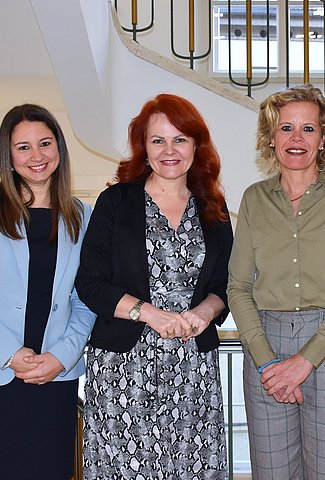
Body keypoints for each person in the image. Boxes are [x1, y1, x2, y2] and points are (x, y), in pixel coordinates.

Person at [76, 93, 233, 479]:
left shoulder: (213, 205)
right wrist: (151, 315)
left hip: (192, 366)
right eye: (158, 140)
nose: (169, 150)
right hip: (122, 369)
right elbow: (90, 283)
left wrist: (204, 312)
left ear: (196, 146)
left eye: (180, 139)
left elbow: (225, 285)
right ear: (143, 148)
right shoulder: (116, 201)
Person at [228, 84, 325, 480]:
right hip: (266, 351)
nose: (296, 139)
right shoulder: (254, 199)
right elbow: (237, 287)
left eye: (308, 129)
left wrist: (304, 360)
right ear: (271, 138)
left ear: (324, 138)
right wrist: (268, 362)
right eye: (286, 128)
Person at [0, 104, 95, 479]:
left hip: (54, 378)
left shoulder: (83, 216)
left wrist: (62, 356)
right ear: (7, 155)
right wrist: (9, 353)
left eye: (45, 143)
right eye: (23, 147)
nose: (37, 156)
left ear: (59, 148)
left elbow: (86, 299)